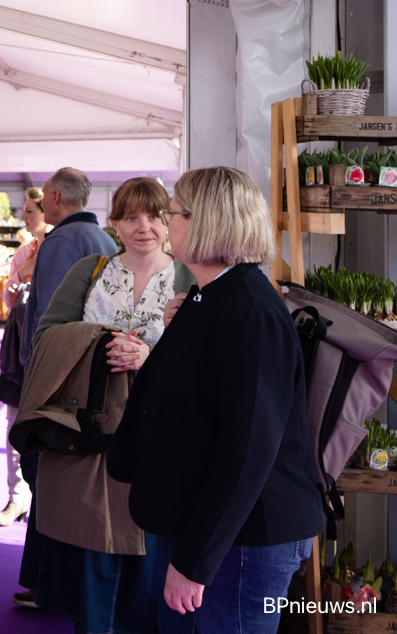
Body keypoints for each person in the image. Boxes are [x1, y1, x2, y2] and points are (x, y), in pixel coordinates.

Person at [109, 167, 323, 633]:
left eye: (171, 213)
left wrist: (196, 561)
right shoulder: (211, 298)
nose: (164, 223)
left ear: (206, 221)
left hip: (240, 540)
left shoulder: (248, 312)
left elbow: (248, 451)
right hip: (208, 527)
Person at [19, 177, 194, 634]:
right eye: (131, 217)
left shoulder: (188, 276)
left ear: (170, 222)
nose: (144, 227)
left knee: (148, 556)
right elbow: (46, 336)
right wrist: (98, 345)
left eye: (154, 216)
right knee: (91, 556)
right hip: (90, 434)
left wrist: (150, 356)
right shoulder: (90, 271)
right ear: (114, 223)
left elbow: (206, 358)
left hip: (159, 438)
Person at [15, 166, 117, 608]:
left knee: (48, 479)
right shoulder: (105, 240)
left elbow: (50, 323)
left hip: (62, 381)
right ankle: (67, 586)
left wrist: (37, 380)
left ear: (55, 196)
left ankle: (50, 585)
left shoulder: (62, 241)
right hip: (95, 381)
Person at [0, 186, 48, 526]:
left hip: (48, 348)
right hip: (18, 343)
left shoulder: (61, 250)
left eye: (29, 211)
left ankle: (44, 501)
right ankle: (16, 498)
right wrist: (16, 285)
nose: (23, 216)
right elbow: (9, 302)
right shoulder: (23, 251)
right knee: (14, 422)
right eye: (24, 210)